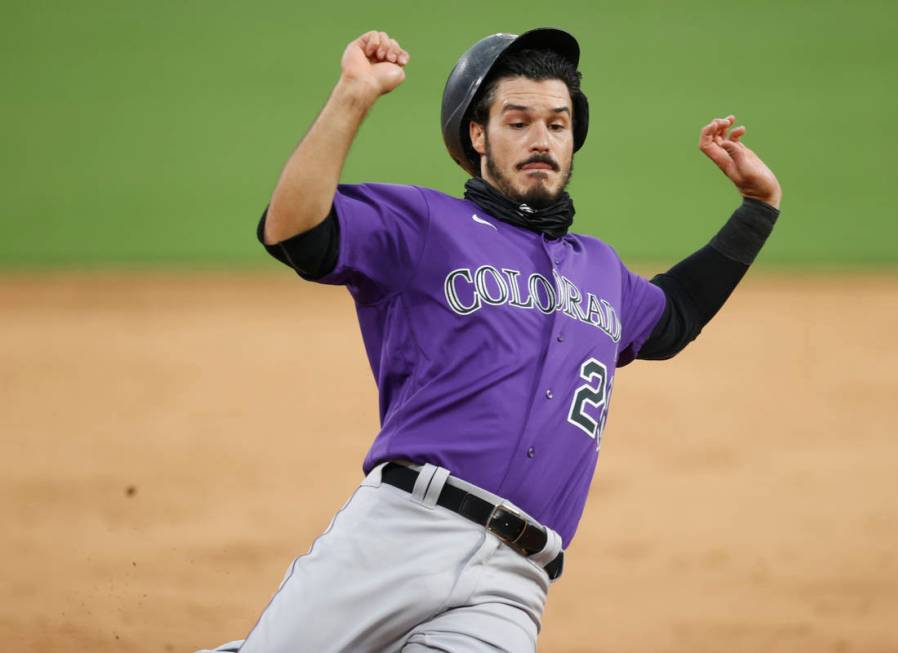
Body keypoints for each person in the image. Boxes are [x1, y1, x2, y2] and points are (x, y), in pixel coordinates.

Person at [198, 26, 782, 653]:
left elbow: (674, 317)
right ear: (478, 135)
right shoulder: (425, 225)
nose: (542, 139)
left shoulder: (602, 271)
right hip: (401, 533)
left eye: (558, 125)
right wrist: (353, 97)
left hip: (513, 580)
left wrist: (757, 206)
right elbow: (294, 230)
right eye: (519, 121)